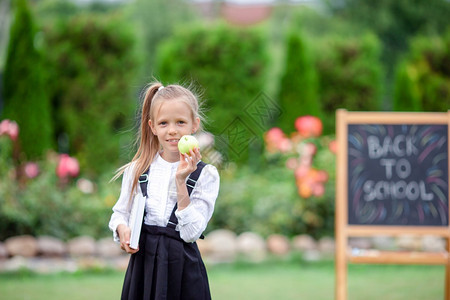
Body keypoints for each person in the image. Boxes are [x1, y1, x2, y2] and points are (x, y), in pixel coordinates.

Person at [109, 82, 220, 300]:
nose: (172, 130)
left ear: (194, 125)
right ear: (152, 127)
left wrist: (181, 181)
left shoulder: (206, 175)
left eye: (180, 122)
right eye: (163, 123)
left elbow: (191, 233)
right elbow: (120, 213)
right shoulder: (137, 170)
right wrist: (121, 228)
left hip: (183, 270)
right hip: (144, 267)